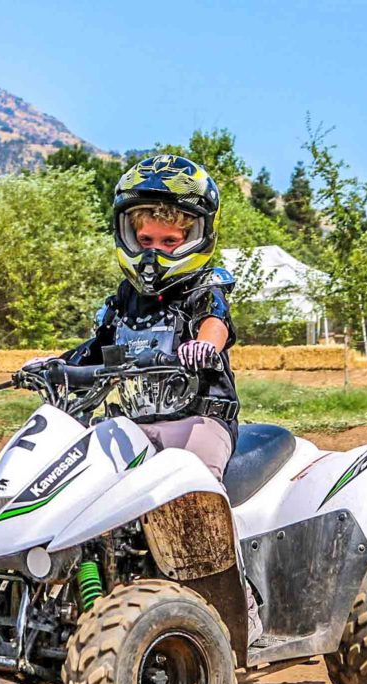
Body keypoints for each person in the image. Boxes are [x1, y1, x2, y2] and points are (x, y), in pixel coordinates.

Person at [34, 154, 238, 481]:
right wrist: (55, 365)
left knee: (190, 484)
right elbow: (100, 346)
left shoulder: (203, 286)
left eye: (170, 241)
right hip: (132, 426)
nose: (153, 253)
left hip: (198, 422)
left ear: (198, 237)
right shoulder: (128, 296)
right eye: (145, 240)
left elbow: (214, 322)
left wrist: (203, 347)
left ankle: (204, 531)